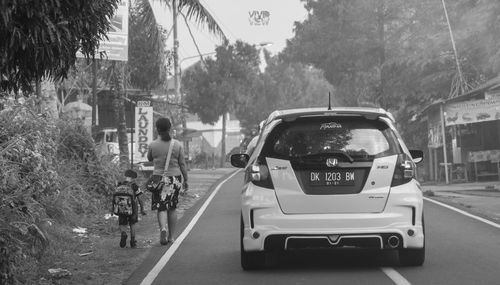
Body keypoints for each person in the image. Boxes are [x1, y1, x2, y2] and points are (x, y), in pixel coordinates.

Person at [147, 117, 188, 245]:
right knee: (172, 207)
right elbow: (182, 164)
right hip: (175, 178)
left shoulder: (153, 144)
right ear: (170, 128)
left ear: (157, 129)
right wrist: (186, 179)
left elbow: (149, 158)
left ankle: (163, 228)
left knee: (161, 207)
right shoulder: (177, 145)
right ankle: (171, 237)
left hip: (159, 179)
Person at [116, 169, 146, 248]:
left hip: (121, 208)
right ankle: (133, 241)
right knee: (132, 223)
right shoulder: (134, 186)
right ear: (133, 178)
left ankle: (123, 233)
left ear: (126, 176)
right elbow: (139, 198)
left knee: (122, 223)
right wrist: (142, 209)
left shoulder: (119, 185)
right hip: (132, 209)